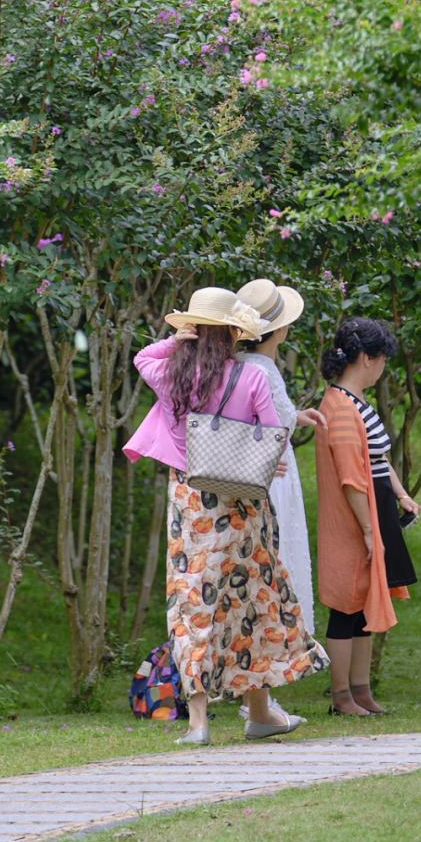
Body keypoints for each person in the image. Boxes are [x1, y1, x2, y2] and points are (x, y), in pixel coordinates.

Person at [124, 285, 328, 745]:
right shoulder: (251, 377)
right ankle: (259, 711)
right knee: (252, 600)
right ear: (237, 332)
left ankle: (199, 722)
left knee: (194, 602)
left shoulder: (172, 375)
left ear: (196, 328)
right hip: (242, 505)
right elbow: (272, 434)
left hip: (192, 503)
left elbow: (142, 356)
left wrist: (182, 339)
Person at [315, 316, 419, 716]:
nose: (383, 367)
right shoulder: (341, 408)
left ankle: (360, 691)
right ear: (367, 359)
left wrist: (400, 493)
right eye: (382, 358)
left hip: (373, 513)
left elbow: (376, 460)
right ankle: (342, 696)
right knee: (345, 606)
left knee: (361, 604)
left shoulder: (354, 404)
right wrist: (368, 530)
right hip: (353, 520)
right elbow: (351, 480)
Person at [233, 277, 325, 725]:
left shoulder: (247, 364)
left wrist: (295, 416)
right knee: (274, 575)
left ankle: (262, 698)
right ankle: (261, 701)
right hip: (272, 479)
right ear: (280, 329)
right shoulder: (261, 368)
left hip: (267, 474)